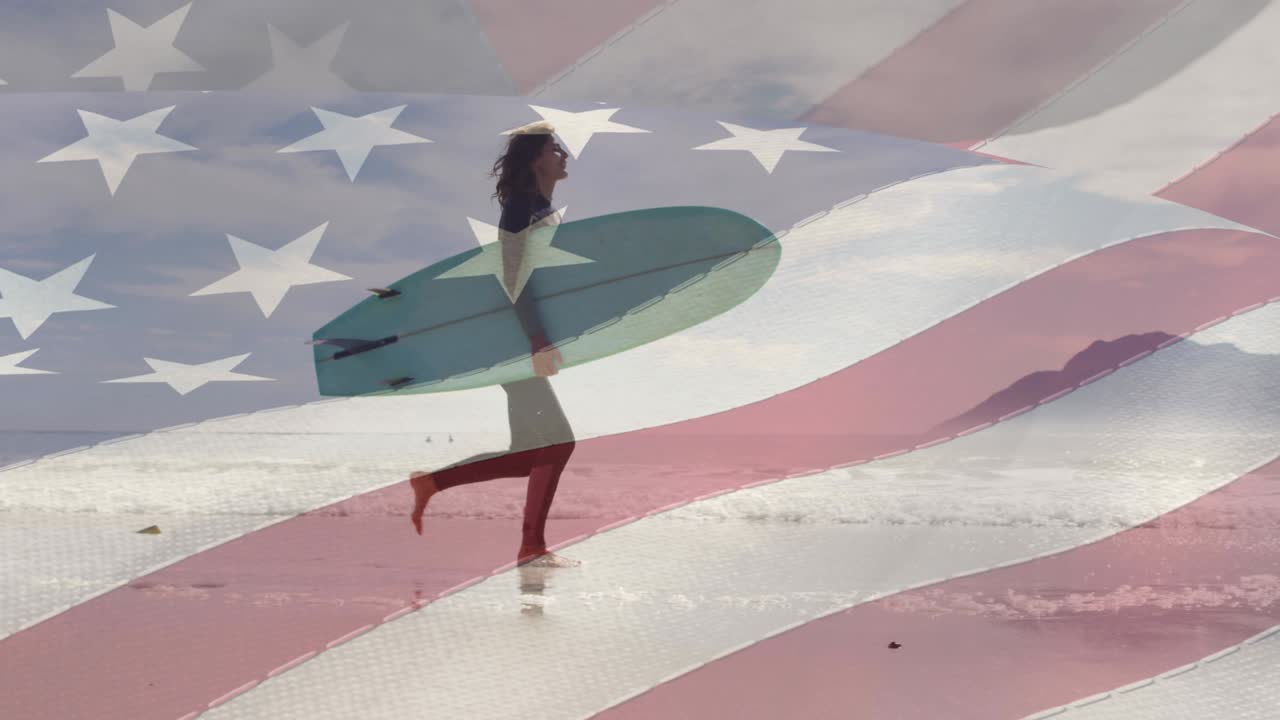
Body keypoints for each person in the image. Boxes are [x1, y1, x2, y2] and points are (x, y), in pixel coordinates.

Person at [408, 120, 581, 569]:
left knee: (530, 453)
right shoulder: (523, 208)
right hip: (514, 344)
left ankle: (432, 483)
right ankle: (531, 548)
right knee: (559, 443)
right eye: (555, 148)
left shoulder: (539, 207)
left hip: (516, 342)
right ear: (535, 159)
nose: (564, 155)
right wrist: (537, 340)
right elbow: (513, 279)